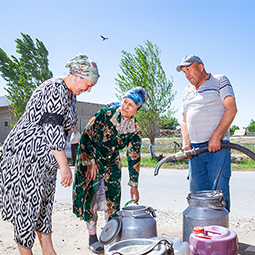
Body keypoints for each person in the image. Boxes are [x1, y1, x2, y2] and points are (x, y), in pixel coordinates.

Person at [0, 54, 99, 255]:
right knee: (26, 210)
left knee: (43, 207)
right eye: (88, 85)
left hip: (44, 160)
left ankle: (49, 251)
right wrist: (64, 166)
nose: (88, 90)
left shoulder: (71, 95)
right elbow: (52, 129)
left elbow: (65, 130)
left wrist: (54, 164)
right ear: (77, 75)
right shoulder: (54, 88)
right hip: (25, 157)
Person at [72, 87, 147, 254]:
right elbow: (85, 136)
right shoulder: (105, 114)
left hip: (111, 162)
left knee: (111, 199)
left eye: (131, 105)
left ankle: (109, 236)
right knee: (90, 197)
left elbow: (134, 156)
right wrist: (91, 162)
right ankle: (92, 237)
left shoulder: (135, 129)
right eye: (125, 102)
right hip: (89, 156)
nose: (126, 106)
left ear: (137, 109)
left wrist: (133, 184)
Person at [176, 54, 237, 212]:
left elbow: (231, 108)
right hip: (195, 151)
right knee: (197, 195)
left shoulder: (219, 80)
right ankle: (201, 234)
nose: (187, 75)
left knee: (218, 195)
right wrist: (186, 144)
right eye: (184, 72)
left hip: (218, 147)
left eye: (189, 69)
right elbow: (184, 120)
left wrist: (216, 136)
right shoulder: (187, 91)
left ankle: (220, 234)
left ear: (200, 67)